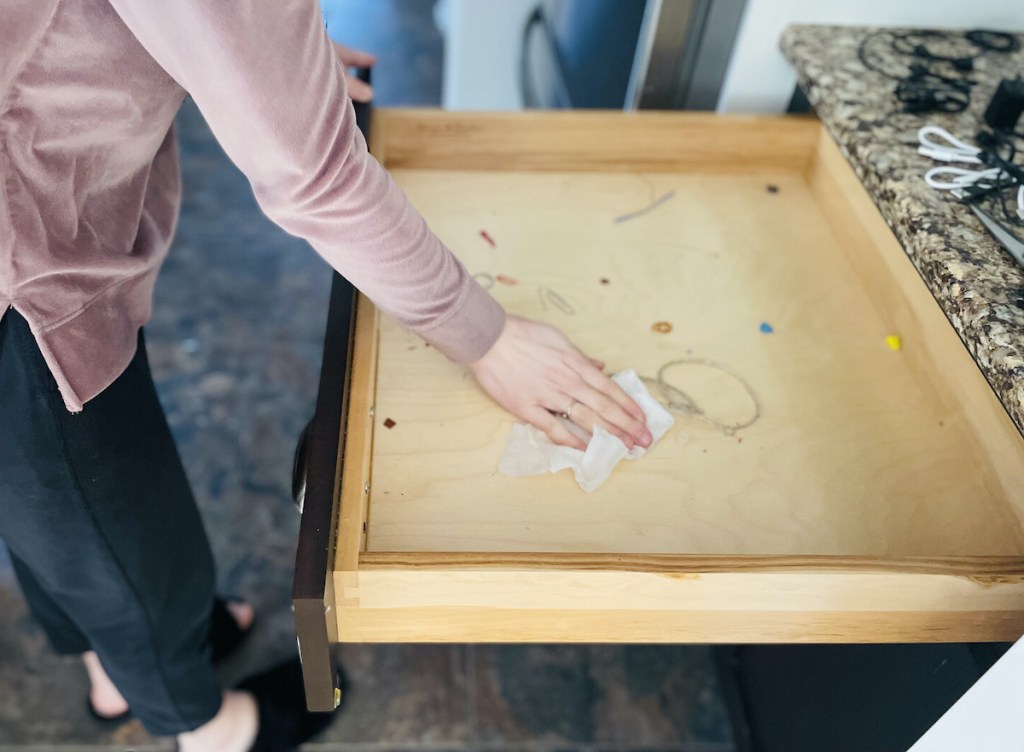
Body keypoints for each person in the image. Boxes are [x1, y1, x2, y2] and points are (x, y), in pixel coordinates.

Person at [0, 2, 653, 751]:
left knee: (49, 507)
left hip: (33, 205)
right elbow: (317, 179)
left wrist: (267, 64)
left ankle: (115, 672)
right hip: (19, 278)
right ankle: (209, 729)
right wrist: (488, 338)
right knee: (111, 525)